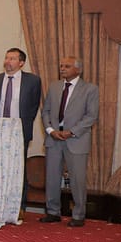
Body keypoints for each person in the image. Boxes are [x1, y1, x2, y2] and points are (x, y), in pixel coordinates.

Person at [39, 57, 99, 227]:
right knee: (51, 177)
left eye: (67, 66)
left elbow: (91, 116)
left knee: (77, 179)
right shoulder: (55, 87)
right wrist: (51, 131)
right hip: (54, 139)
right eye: (61, 66)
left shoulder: (90, 89)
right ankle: (52, 212)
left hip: (76, 139)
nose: (62, 69)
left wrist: (71, 132)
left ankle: (79, 215)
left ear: (77, 70)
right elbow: (46, 112)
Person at [0, 47, 42, 214]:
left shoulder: (33, 81)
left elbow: (33, 107)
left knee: (18, 168)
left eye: (12, 58)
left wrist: (23, 125)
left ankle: (19, 206)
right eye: (6, 58)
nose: (7, 61)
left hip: (19, 130)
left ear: (21, 63)